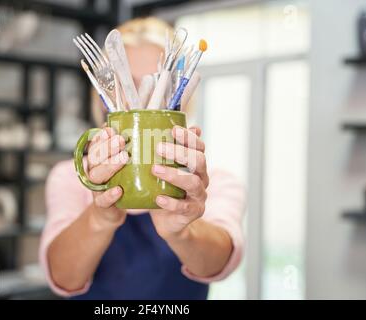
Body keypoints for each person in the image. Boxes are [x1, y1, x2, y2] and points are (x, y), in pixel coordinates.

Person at [39, 17, 246, 300]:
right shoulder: (70, 177)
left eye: (158, 82)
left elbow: (219, 263)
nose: (142, 97)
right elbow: (63, 277)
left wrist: (182, 231)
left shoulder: (214, 182)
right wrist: (99, 218)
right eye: (129, 83)